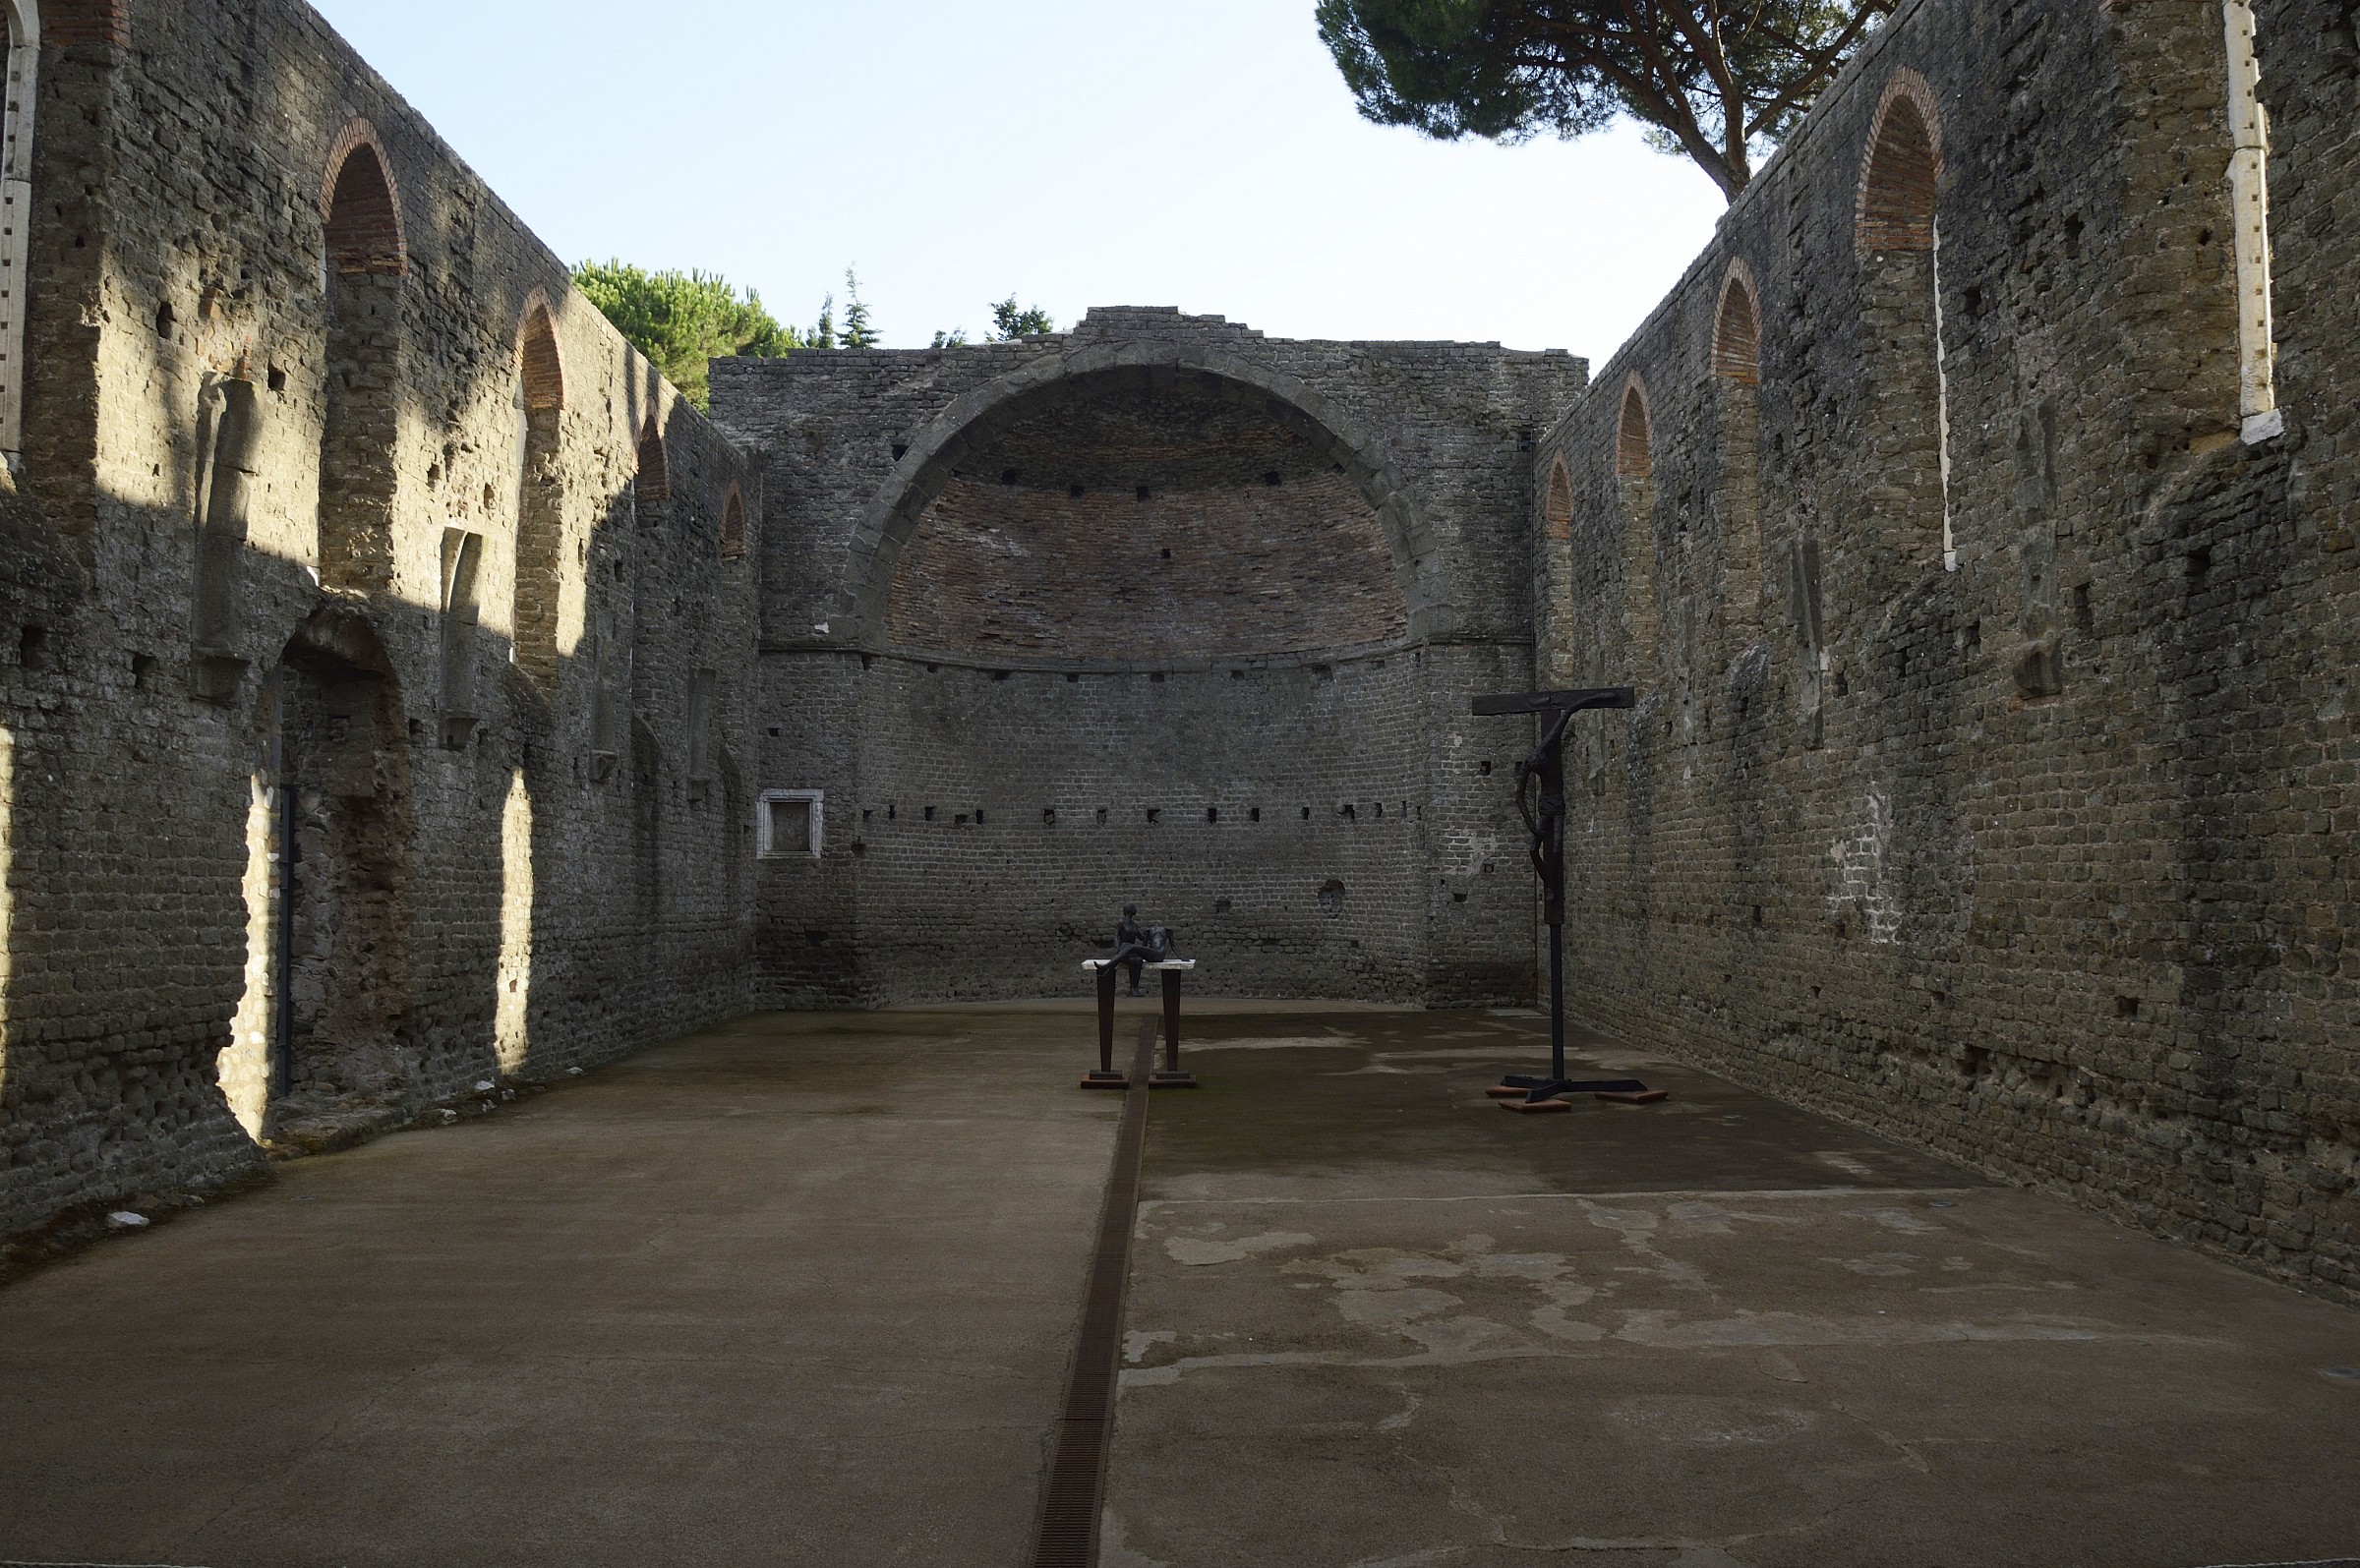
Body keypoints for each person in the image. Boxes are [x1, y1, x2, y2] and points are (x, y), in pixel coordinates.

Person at [1108, 903, 1166, 996]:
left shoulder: (1134, 925)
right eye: (1133, 907)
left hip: (1131, 951)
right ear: (1129, 910)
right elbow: (1116, 936)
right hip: (1123, 951)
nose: (1135, 909)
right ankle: (1131, 987)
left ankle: (1134, 987)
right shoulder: (1121, 922)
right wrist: (1117, 949)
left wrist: (1153, 934)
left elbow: (1140, 937)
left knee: (1138, 960)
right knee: (1133, 960)